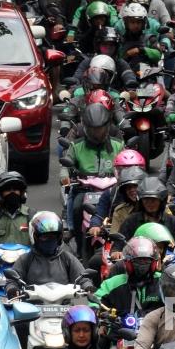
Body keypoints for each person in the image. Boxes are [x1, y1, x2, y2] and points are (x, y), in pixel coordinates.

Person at [59, 103, 124, 253]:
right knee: (76, 207)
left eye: (100, 128)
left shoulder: (118, 145)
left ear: (106, 127)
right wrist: (64, 175)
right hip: (85, 189)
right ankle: (76, 236)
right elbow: (65, 165)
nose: (97, 133)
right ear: (86, 128)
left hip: (112, 188)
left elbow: (126, 161)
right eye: (94, 129)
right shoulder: (76, 145)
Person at [92, 236, 164, 349]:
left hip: (157, 337)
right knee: (98, 346)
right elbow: (95, 300)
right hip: (119, 336)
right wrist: (99, 312)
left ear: (153, 262)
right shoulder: (113, 283)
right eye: (137, 261)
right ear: (127, 262)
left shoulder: (163, 282)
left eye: (146, 260)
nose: (142, 264)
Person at [6, 212, 89, 296]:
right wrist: (12, 289)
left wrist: (88, 287)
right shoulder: (26, 259)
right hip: (33, 307)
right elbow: (12, 280)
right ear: (35, 237)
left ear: (59, 238)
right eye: (45, 237)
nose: (50, 240)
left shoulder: (67, 258)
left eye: (53, 237)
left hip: (64, 306)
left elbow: (83, 278)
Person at [115, 177, 175, 261]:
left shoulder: (173, 221)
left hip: (167, 263)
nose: (150, 203)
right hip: (137, 263)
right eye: (146, 200)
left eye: (153, 200)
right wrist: (116, 251)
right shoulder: (131, 221)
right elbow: (120, 241)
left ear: (161, 201)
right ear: (141, 201)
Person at [87, 151, 146, 237]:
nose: (133, 190)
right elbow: (100, 214)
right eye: (128, 187)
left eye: (135, 186)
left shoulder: (152, 197)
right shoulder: (117, 205)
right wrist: (95, 226)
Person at [0, 172, 34, 246]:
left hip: (27, 257)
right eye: (8, 190)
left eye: (15, 189)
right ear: (0, 194)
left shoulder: (32, 216)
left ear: (21, 193)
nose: (12, 192)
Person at [117, 2, 164, 69]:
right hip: (126, 74)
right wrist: (126, 54)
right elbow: (116, 57)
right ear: (126, 23)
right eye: (132, 22)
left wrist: (141, 50)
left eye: (139, 22)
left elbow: (158, 55)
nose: (136, 25)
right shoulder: (120, 40)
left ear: (143, 23)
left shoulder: (150, 38)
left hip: (148, 75)